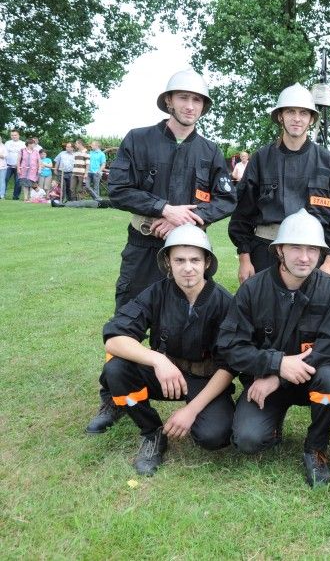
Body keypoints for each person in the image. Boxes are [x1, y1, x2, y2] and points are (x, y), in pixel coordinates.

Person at [85, 69, 237, 434]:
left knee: (195, 315)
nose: (189, 105)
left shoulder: (210, 152)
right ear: (169, 101)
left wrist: (188, 219)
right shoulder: (138, 140)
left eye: (197, 100)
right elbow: (118, 189)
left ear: (203, 106)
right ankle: (114, 395)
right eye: (183, 98)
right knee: (128, 315)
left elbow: (228, 198)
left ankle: (194, 382)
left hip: (188, 250)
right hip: (144, 246)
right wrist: (163, 208)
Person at [218, 210, 330, 488]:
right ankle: (272, 426)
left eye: (312, 249)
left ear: (321, 253)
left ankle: (316, 448)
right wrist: (276, 363)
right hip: (263, 382)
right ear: (279, 251)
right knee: (248, 440)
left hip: (307, 380)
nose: (304, 257)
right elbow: (231, 347)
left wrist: (280, 373)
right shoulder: (252, 290)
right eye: (295, 248)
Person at [98, 225, 235, 475]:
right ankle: (152, 433)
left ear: (207, 263)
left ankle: (197, 416)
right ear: (168, 263)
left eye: (195, 259)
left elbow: (229, 366)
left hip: (206, 379)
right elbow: (114, 338)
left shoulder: (225, 303)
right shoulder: (156, 293)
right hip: (164, 375)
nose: (187, 268)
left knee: (214, 437)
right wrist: (157, 361)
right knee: (116, 369)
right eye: (179, 260)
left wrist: (191, 411)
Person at [228, 83, 330, 284]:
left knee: (311, 314)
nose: (296, 118)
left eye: (303, 113)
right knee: (264, 312)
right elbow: (242, 213)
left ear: (311, 119)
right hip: (266, 250)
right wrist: (244, 258)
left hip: (312, 256)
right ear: (280, 116)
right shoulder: (261, 159)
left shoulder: (328, 162)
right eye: (290, 111)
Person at [2, 129, 25, 200]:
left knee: (18, 182)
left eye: (15, 135)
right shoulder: (7, 143)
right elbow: (3, 153)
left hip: (18, 166)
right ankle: (2, 195)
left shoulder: (23, 144)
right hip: (8, 165)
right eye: (12, 135)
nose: (14, 136)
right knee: (4, 180)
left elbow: (24, 156)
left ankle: (16, 197)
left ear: (18, 135)